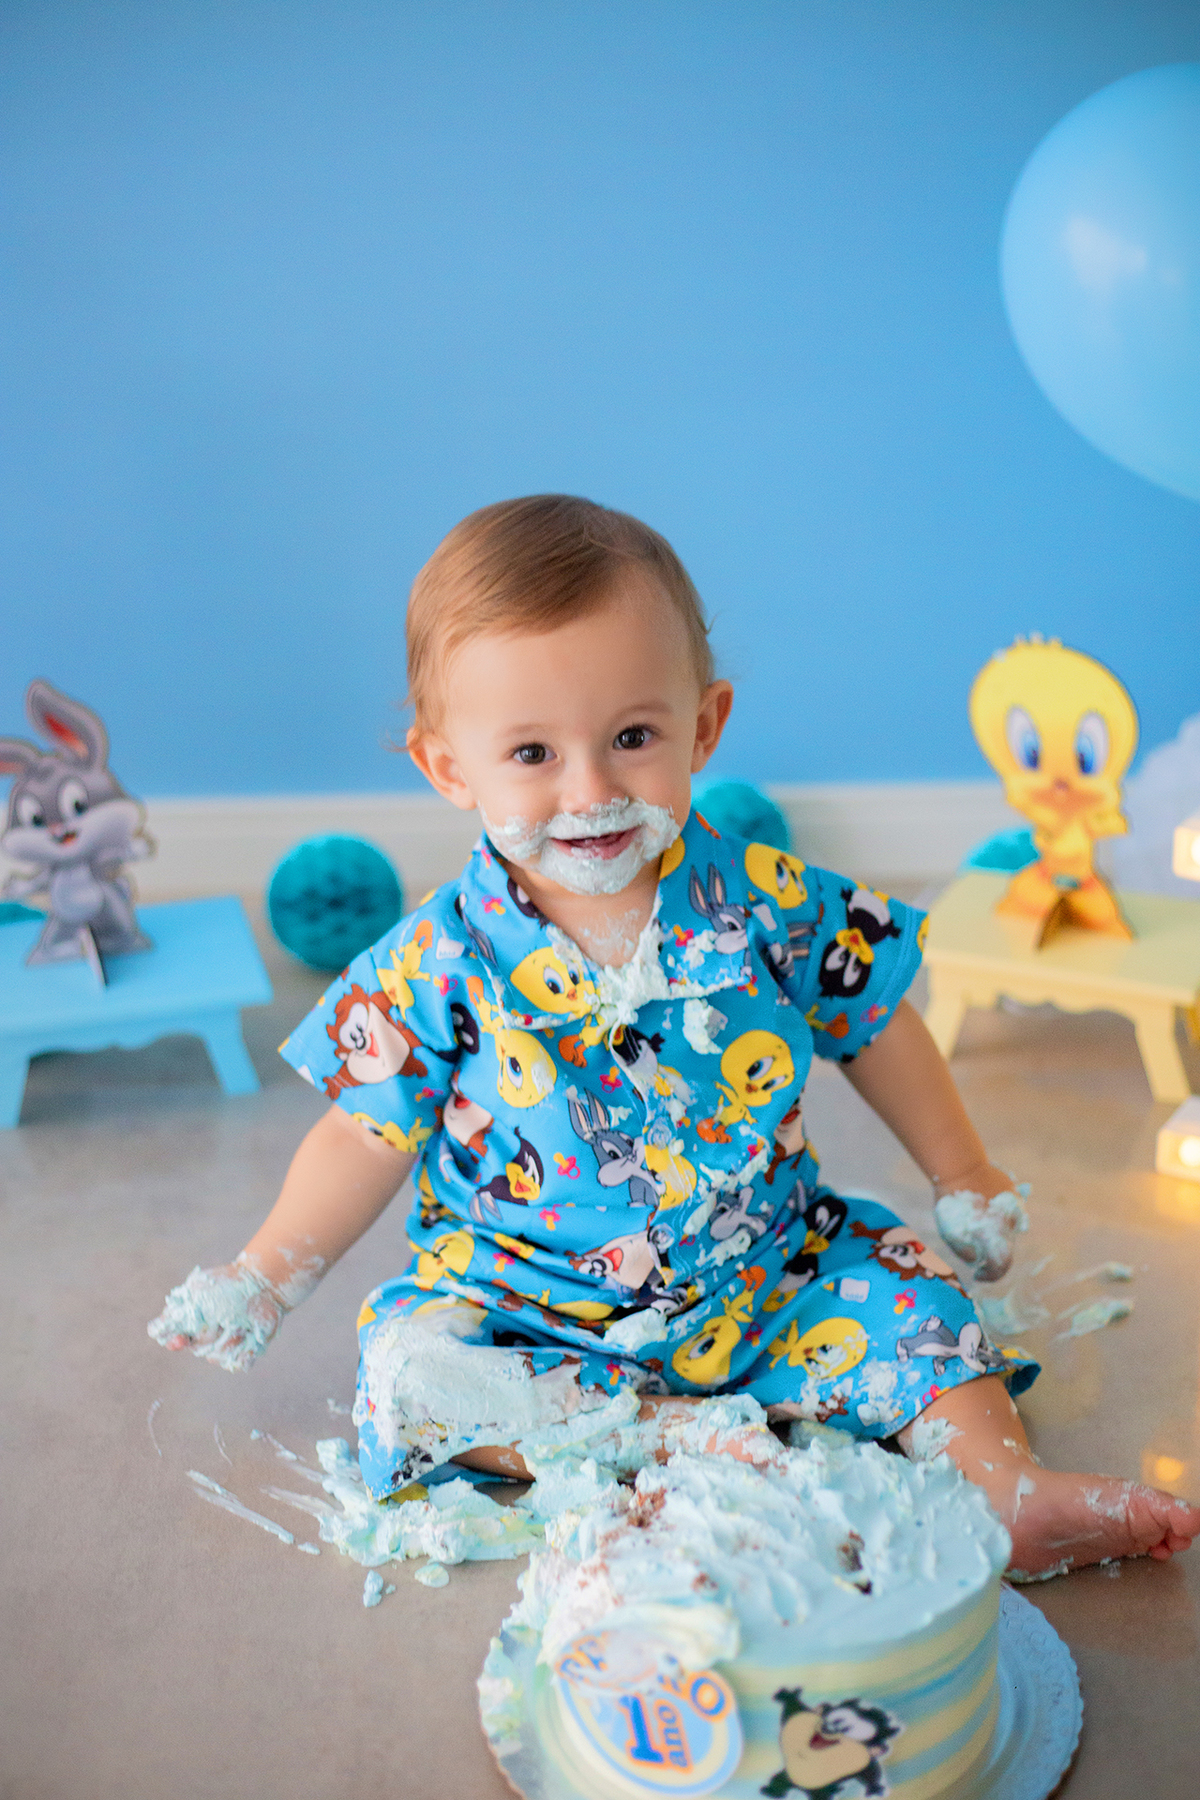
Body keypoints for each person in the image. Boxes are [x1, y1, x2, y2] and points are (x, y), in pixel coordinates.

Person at [150, 494, 1199, 1578]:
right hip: (526, 1306)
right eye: (531, 754)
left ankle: (1006, 1492)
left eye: (633, 738)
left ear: (704, 725)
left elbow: (875, 1025)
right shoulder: (432, 964)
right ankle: (659, 1438)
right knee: (411, 1375)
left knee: (917, 1299)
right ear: (449, 768)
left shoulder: (769, 902)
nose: (591, 791)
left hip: (771, 1273)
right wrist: (262, 1274)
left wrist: (963, 1169)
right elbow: (362, 1136)